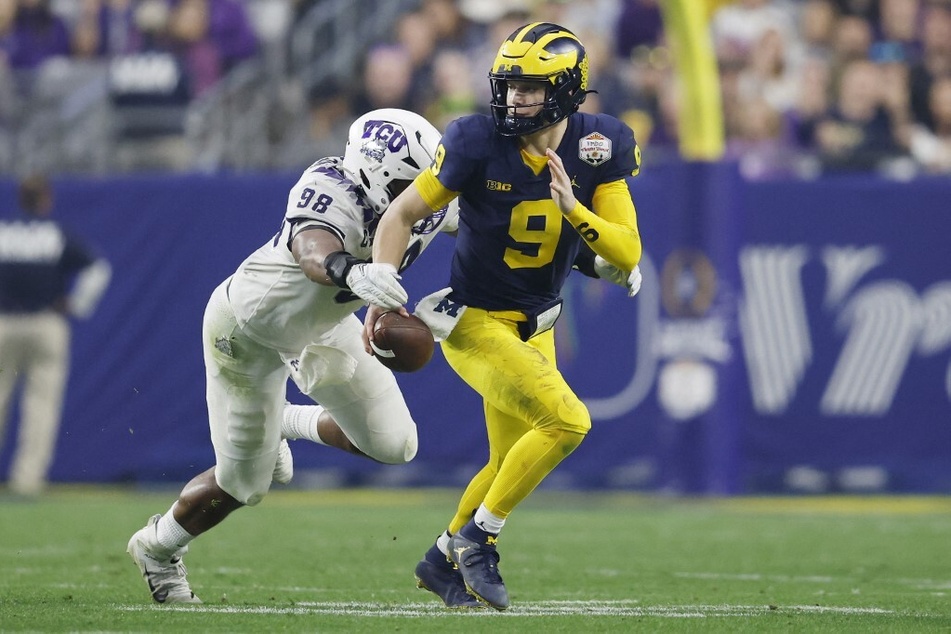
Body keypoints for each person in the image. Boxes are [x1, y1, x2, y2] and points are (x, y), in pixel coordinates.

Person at [362, 22, 643, 610]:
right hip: (475, 321)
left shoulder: (600, 143)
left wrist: (575, 211)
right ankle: (477, 539)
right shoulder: (473, 140)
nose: (514, 97)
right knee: (568, 422)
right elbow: (401, 214)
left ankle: (439, 561)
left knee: (505, 462)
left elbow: (627, 250)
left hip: (539, 322)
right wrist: (380, 291)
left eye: (530, 87)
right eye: (509, 85)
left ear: (567, 90)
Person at [126, 108, 458, 604]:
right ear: (379, 174)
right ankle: (157, 547)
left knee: (396, 443)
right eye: (411, 183)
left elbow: (482, 220)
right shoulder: (330, 184)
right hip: (247, 331)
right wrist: (350, 272)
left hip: (321, 328)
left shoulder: (425, 200)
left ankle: (286, 421)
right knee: (245, 484)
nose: (422, 197)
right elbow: (312, 249)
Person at [0, 174, 112, 497]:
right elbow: (98, 268)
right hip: (46, 324)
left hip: (5, 323)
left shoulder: (5, 234)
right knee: (41, 406)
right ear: (46, 199)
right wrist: (77, 304)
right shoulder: (55, 234)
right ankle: (27, 482)